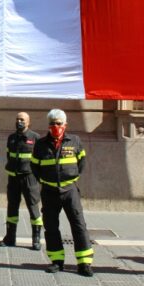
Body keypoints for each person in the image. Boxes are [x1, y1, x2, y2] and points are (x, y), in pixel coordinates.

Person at [30, 109, 93, 276]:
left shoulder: (75, 141)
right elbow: (34, 166)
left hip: (69, 190)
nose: (55, 126)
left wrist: (70, 177)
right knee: (51, 226)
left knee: (79, 225)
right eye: (52, 124)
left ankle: (84, 263)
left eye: (58, 123)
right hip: (49, 191)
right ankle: (57, 261)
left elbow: (81, 162)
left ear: (65, 125)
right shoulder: (41, 144)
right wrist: (44, 181)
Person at [0, 112, 43, 250]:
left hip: (29, 178)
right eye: (17, 119)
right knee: (12, 207)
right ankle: (10, 238)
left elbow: (40, 160)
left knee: (33, 207)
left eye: (22, 120)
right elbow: (9, 155)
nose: (19, 122)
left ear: (28, 122)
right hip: (13, 178)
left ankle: (36, 241)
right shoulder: (11, 138)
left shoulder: (35, 138)